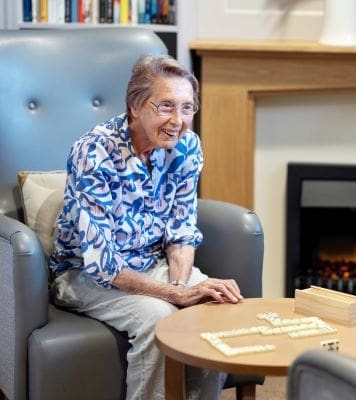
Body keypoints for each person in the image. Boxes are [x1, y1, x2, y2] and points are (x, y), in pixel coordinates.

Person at [49, 54, 243, 400]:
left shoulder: (187, 147)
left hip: (152, 265)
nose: (178, 121)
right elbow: (104, 264)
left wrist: (181, 285)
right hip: (84, 275)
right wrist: (175, 296)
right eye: (165, 106)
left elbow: (181, 230)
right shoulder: (94, 152)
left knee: (214, 310)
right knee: (159, 319)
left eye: (187, 108)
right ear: (135, 106)